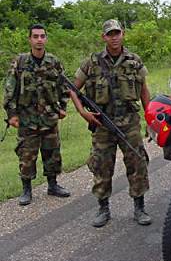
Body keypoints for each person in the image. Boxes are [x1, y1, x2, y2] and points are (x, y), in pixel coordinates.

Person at [69, 19, 151, 227]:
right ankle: (103, 208)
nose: (114, 37)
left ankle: (139, 207)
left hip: (129, 121)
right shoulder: (92, 62)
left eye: (117, 33)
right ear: (103, 37)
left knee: (137, 163)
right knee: (102, 166)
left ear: (123, 34)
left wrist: (150, 118)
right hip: (102, 122)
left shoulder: (134, 60)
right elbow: (73, 88)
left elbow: (143, 90)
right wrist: (83, 113)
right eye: (109, 34)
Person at [3, 24, 71, 206]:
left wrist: (62, 107)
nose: (39, 39)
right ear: (30, 39)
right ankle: (26, 189)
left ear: (46, 39)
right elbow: (10, 89)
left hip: (49, 117)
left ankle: (53, 184)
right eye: (35, 36)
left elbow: (64, 87)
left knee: (52, 153)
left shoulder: (53, 62)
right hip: (27, 118)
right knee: (26, 155)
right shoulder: (20, 62)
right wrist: (12, 114)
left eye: (42, 36)